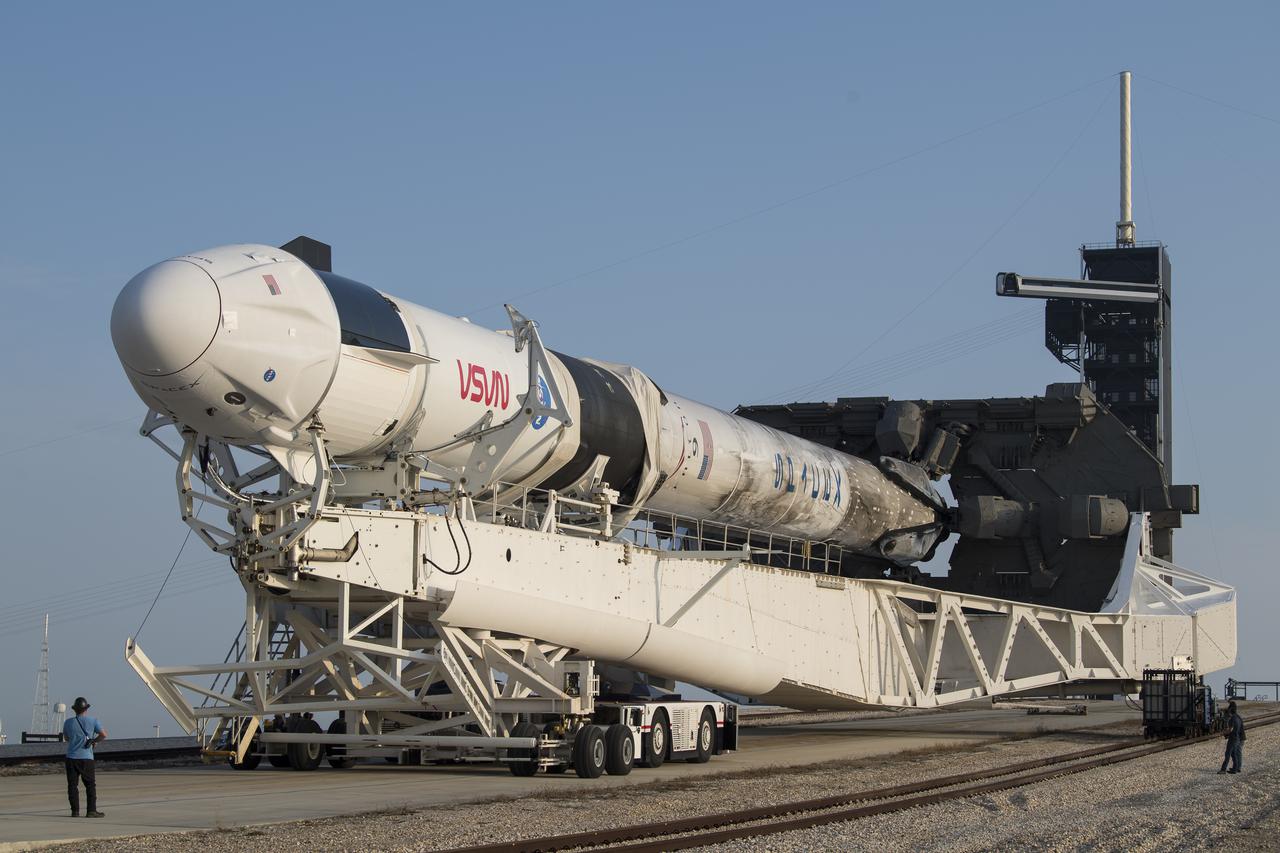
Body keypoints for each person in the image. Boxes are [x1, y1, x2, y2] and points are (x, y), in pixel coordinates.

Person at [63, 697, 107, 817]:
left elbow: (66, 738)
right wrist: (94, 741)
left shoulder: (68, 722)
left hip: (71, 757)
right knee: (90, 785)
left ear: (75, 710)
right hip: (87, 757)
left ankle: (75, 811)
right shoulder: (93, 721)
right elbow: (103, 735)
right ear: (86, 709)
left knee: (72, 785)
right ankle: (91, 811)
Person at [1218, 700, 1245, 775]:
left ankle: (1223, 769)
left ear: (1230, 711)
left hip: (1233, 739)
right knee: (1234, 754)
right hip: (1237, 738)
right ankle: (1235, 769)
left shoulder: (1233, 719)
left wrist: (1223, 733)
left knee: (1228, 754)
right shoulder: (1238, 718)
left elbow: (1230, 729)